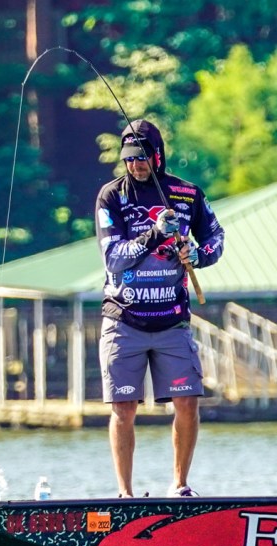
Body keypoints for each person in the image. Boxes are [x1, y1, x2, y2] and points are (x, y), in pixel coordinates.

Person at [95, 119, 224, 498]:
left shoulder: (187, 194)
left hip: (172, 322)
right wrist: (155, 234)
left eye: (141, 158)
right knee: (124, 407)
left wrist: (198, 255)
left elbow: (216, 237)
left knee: (187, 401)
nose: (135, 165)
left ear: (157, 156)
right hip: (123, 320)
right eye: (129, 159)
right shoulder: (111, 196)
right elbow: (113, 258)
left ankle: (180, 485)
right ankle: (125, 493)